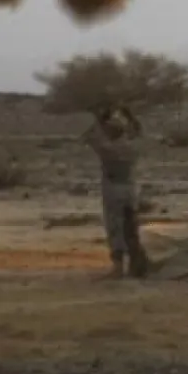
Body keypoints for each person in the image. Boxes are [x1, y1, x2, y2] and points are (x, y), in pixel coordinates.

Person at [81, 105, 148, 280]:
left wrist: (100, 116)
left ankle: (118, 267)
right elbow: (140, 132)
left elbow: (89, 136)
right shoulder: (132, 147)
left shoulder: (107, 149)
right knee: (131, 227)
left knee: (115, 228)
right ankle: (137, 265)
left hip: (112, 190)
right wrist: (129, 114)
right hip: (130, 190)